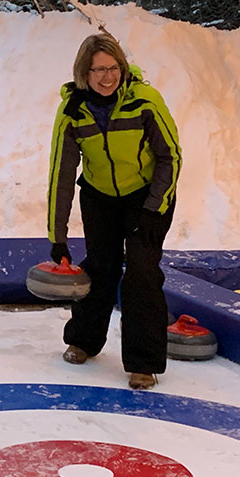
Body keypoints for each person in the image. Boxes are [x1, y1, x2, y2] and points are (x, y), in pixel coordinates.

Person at [46, 33, 181, 390]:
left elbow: (171, 158)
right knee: (100, 266)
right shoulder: (73, 111)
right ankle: (84, 340)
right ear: (83, 73)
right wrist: (57, 238)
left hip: (147, 196)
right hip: (100, 196)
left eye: (113, 68)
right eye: (98, 70)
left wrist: (154, 210)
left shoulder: (145, 102)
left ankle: (143, 363)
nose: (108, 77)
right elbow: (61, 173)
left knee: (141, 272)